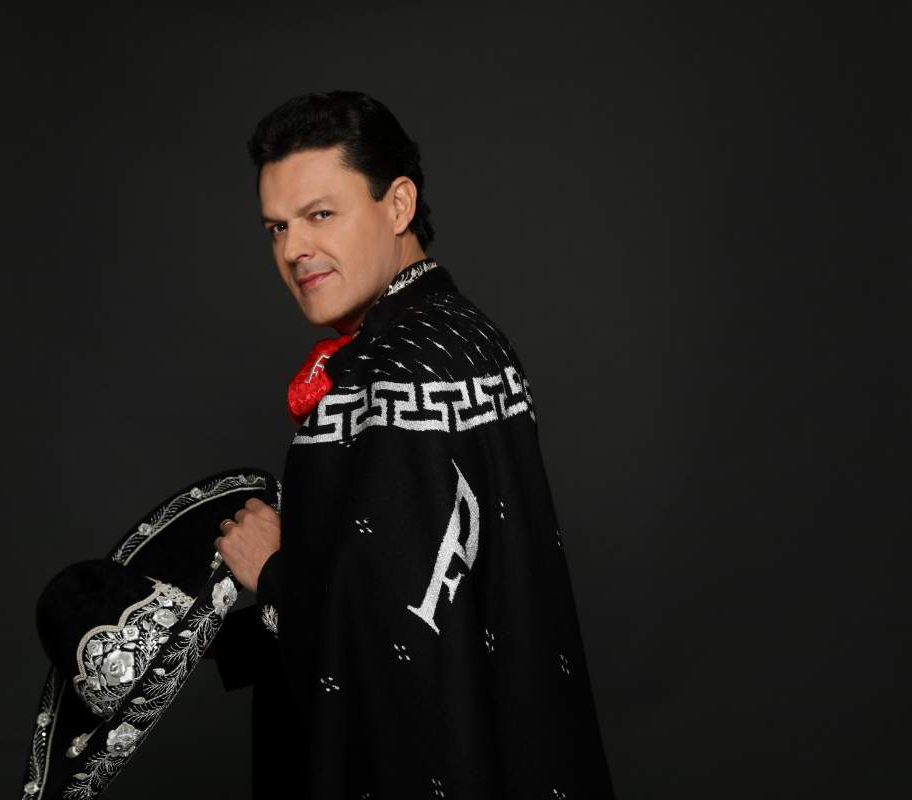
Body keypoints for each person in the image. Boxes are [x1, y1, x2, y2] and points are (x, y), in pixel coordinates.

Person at [205, 90, 616, 799]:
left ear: (397, 205)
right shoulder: (462, 334)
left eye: (320, 215)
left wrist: (269, 570)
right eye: (276, 228)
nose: (293, 250)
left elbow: (399, 644)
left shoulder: (397, 368)